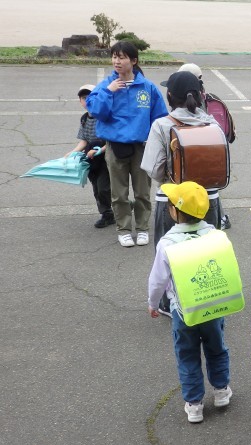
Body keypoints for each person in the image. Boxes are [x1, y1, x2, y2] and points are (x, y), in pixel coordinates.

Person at [147, 181, 232, 423]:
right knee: (217, 348)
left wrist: (153, 303)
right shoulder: (216, 237)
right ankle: (221, 391)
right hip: (213, 306)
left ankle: (194, 405)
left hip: (183, 311)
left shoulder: (167, 243)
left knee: (187, 354)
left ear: (174, 211)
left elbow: (158, 280)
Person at [141, 70, 224, 316]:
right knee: (205, 254)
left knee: (172, 255)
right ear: (199, 95)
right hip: (208, 199)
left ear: (169, 96)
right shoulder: (212, 123)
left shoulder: (162, 125)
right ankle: (205, 301)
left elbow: (154, 169)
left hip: (172, 200)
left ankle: (171, 304)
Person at [86, 41, 168, 248]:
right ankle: (123, 229)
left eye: (121, 57)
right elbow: (96, 111)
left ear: (133, 61)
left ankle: (142, 228)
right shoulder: (106, 85)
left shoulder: (147, 87)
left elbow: (160, 117)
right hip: (114, 147)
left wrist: (156, 144)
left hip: (141, 147)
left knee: (142, 192)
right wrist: (109, 92)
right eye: (114, 57)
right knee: (119, 193)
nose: (116, 61)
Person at [175, 63, 232, 230]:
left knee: (202, 187)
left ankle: (210, 217)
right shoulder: (206, 96)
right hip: (215, 147)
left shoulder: (191, 99)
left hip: (195, 149)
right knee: (211, 186)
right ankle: (221, 217)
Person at [65, 84, 113, 228]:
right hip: (91, 160)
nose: (87, 101)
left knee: (104, 188)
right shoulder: (84, 119)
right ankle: (107, 214)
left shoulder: (104, 117)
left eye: (91, 97)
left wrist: (99, 151)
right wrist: (73, 152)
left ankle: (122, 206)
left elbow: (111, 141)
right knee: (97, 189)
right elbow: (84, 140)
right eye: (84, 98)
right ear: (80, 101)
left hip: (105, 158)